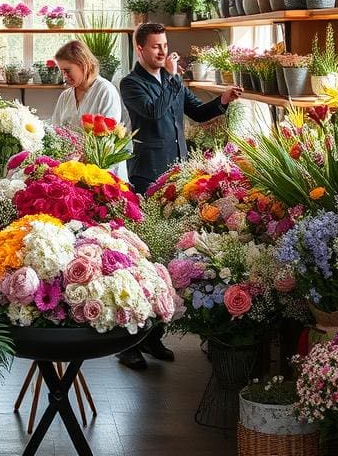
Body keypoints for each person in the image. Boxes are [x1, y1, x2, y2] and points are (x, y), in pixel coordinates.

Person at [117, 22, 242, 370]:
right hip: (147, 176)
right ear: (140, 49)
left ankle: (152, 337)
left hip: (176, 177)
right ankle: (128, 344)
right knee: (144, 259)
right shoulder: (131, 84)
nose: (163, 51)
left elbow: (197, 112)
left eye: (164, 44)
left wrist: (222, 101)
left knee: (168, 257)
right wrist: (173, 78)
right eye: (155, 46)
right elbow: (153, 113)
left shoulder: (172, 80)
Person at [50, 39, 129, 180]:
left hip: (100, 174)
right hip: (71, 173)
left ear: (83, 64)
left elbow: (106, 142)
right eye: (62, 71)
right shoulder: (65, 96)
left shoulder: (105, 91)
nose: (64, 76)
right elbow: (55, 133)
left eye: (67, 71)